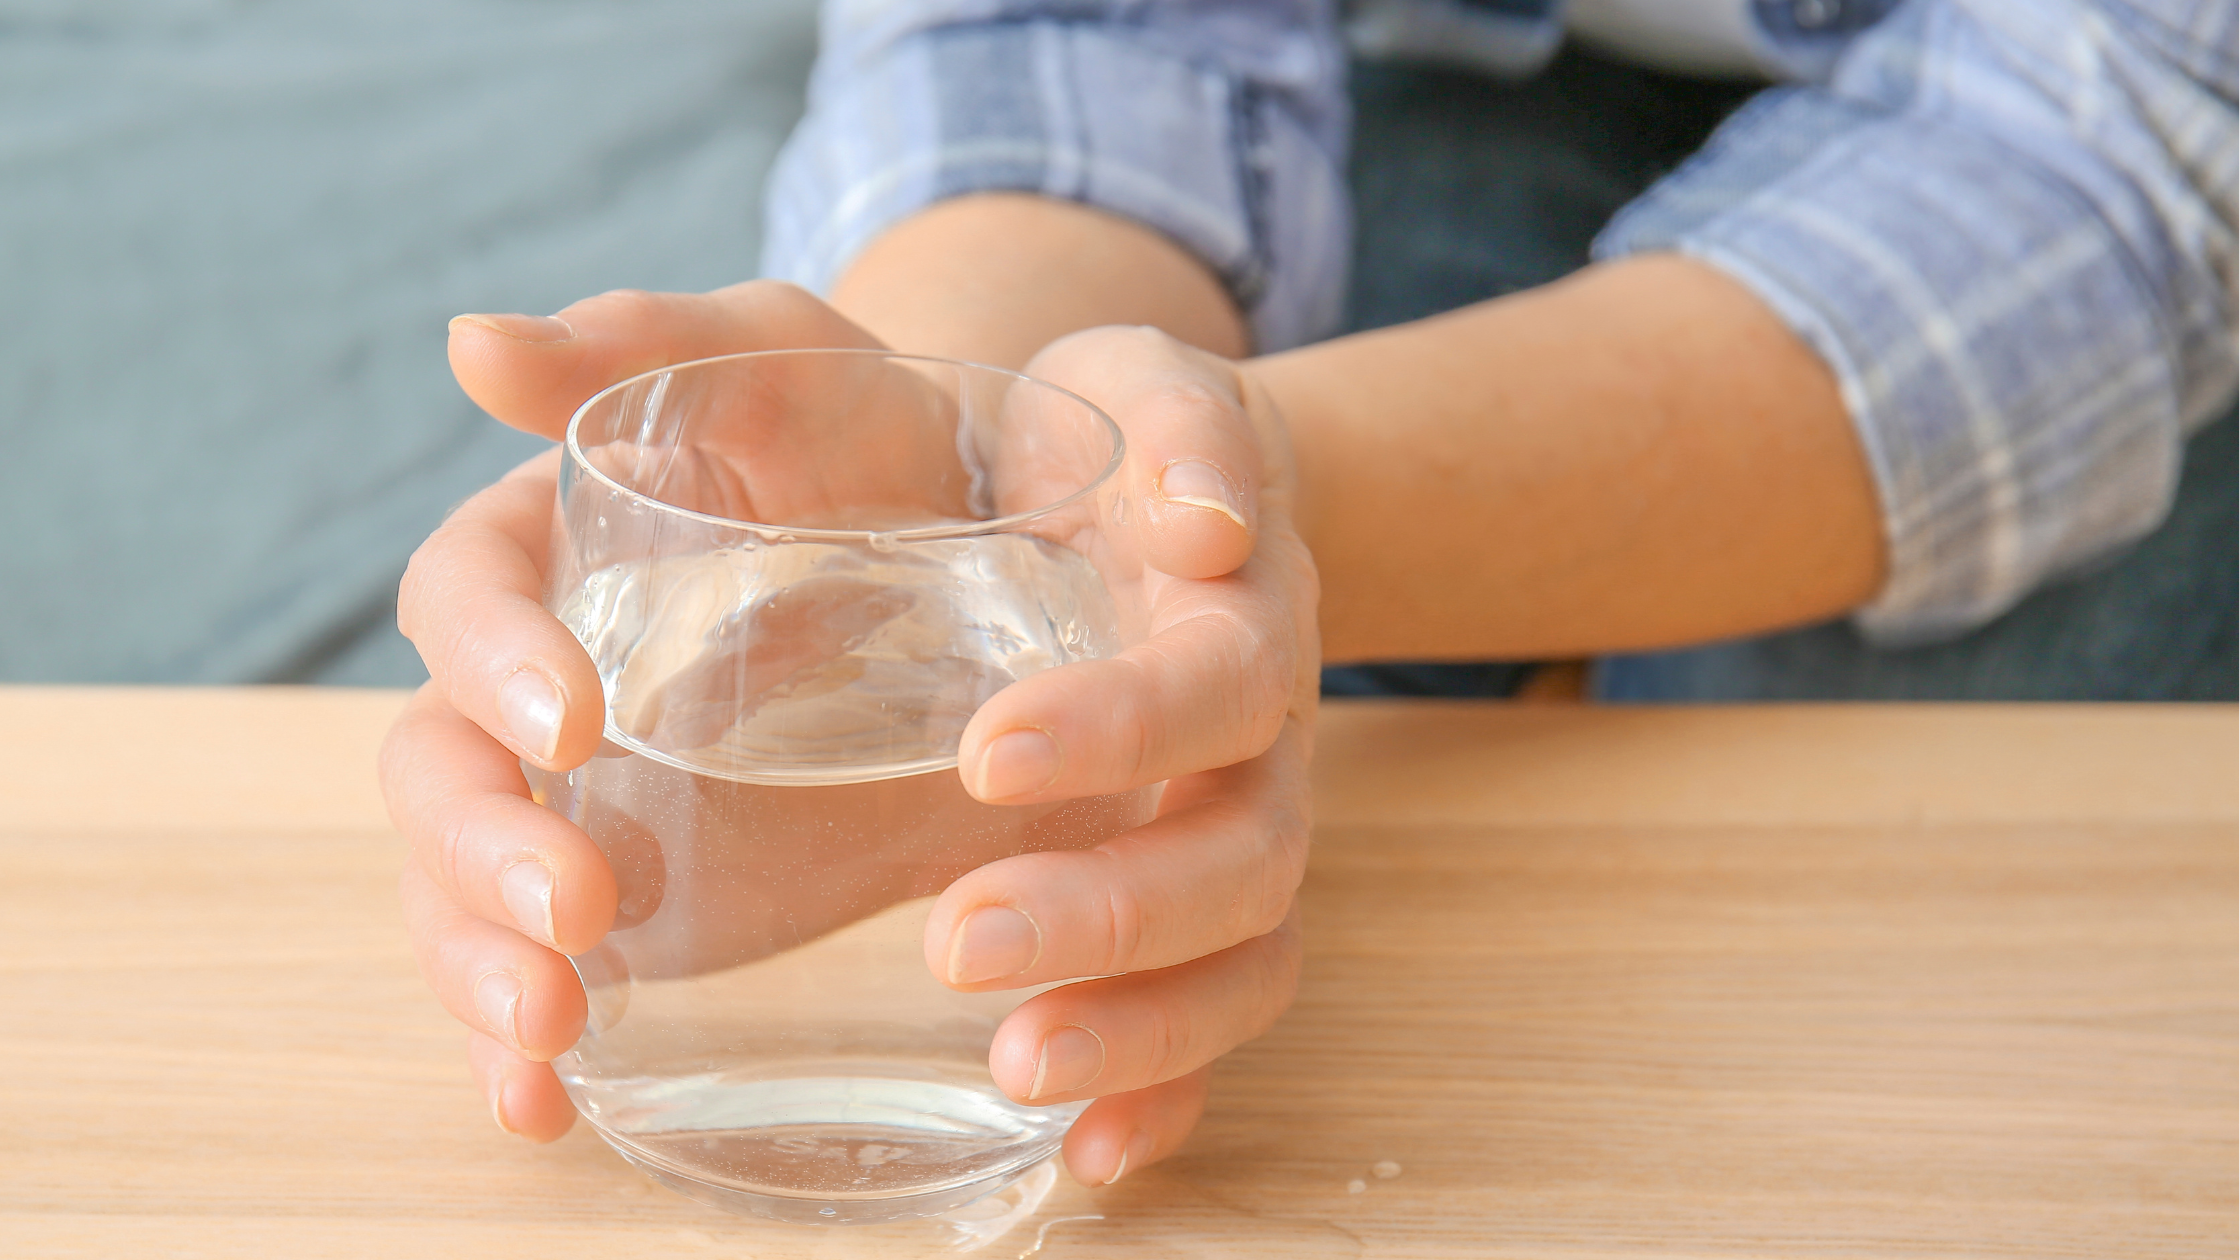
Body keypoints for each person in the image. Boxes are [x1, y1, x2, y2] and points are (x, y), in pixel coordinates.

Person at [380, 0, 2237, 1189]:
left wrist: (1265, 512)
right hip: (1444, 52)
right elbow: (1068, 34)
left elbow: (2123, 154)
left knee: (1903, 737)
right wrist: (974, 470)